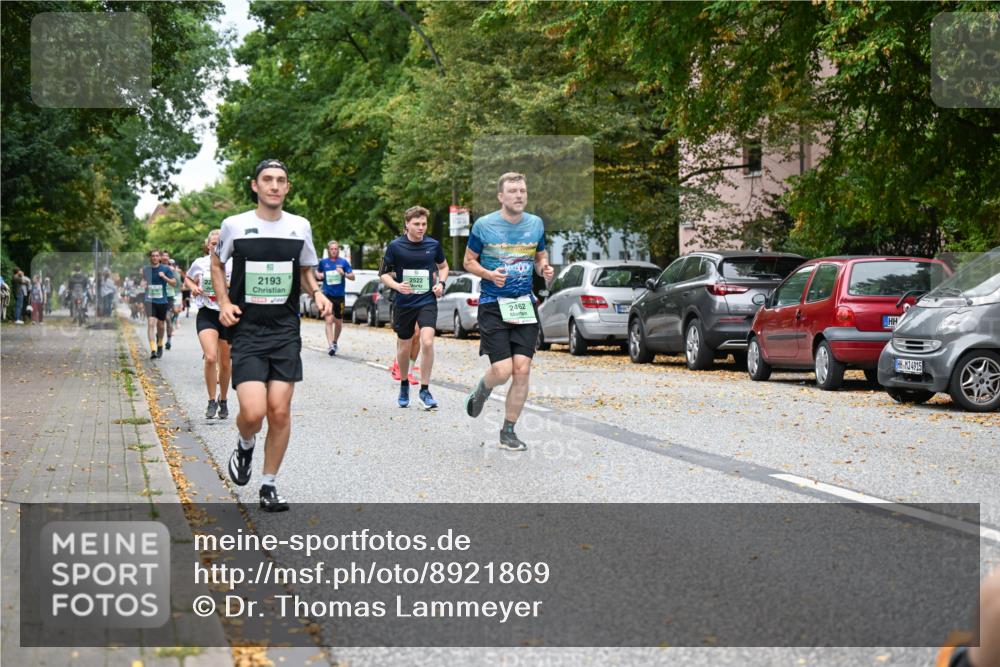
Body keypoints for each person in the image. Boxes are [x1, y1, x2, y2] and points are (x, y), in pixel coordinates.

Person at [215, 159, 330, 512]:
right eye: (268, 180)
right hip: (247, 329)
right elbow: (218, 264)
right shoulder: (235, 225)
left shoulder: (299, 227)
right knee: (253, 412)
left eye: (281, 180)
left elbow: (307, 270)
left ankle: (268, 485)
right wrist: (222, 302)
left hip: (284, 330)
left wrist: (318, 294)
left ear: (287, 187)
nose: (275, 186)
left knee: (279, 411)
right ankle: (245, 443)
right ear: (255, 185)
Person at [463, 172, 554, 451]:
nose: (519, 195)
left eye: (523, 190)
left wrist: (544, 269)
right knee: (502, 371)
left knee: (522, 369)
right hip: (493, 305)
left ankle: (508, 431)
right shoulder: (484, 225)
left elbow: (539, 256)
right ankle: (483, 389)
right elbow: (468, 262)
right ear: (501, 196)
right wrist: (489, 274)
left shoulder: (535, 224)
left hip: (524, 304)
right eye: (513, 191)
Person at [379, 205, 448, 410]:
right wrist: (397, 286)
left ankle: (425, 390)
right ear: (407, 224)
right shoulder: (395, 246)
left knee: (427, 341)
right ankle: (404, 384)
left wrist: (441, 284)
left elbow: (443, 267)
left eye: (424, 224)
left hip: (426, 300)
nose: (421, 228)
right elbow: (383, 273)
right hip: (404, 302)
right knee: (404, 346)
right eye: (416, 224)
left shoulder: (433, 245)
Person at [186, 230, 233, 420]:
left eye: (219, 243)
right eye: (212, 243)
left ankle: (224, 400)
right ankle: (211, 401)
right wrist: (194, 287)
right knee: (211, 357)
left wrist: (226, 286)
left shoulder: (232, 263)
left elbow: (240, 285)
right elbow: (188, 278)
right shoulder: (200, 263)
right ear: (208, 245)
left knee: (225, 362)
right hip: (207, 313)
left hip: (226, 313)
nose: (215, 246)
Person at [315, 241, 354, 356]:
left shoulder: (343, 262)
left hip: (339, 296)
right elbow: (318, 273)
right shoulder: (323, 262)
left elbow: (352, 277)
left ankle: (335, 341)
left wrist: (344, 274)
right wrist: (319, 276)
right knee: (329, 320)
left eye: (336, 249)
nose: (334, 251)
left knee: (338, 322)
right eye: (332, 249)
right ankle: (331, 345)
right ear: (328, 250)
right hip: (327, 295)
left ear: (338, 250)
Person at [143, 250, 175, 359]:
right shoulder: (146, 270)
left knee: (161, 325)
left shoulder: (166, 269)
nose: (155, 258)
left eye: (157, 256)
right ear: (150, 258)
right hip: (150, 300)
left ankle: (160, 343)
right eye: (153, 256)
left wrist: (164, 277)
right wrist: (143, 283)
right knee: (151, 323)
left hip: (162, 301)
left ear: (160, 258)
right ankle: (152, 349)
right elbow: (144, 281)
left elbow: (174, 283)